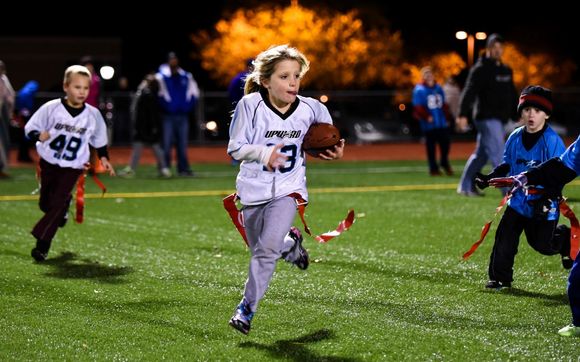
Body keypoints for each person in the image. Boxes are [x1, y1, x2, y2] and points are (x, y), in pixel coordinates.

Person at [227, 44, 345, 335]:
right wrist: (263, 153)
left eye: (296, 76)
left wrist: (336, 151)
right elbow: (235, 148)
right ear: (265, 81)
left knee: (265, 251)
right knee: (262, 248)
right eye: (284, 76)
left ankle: (246, 309)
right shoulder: (249, 106)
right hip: (253, 190)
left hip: (289, 190)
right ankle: (290, 246)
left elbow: (328, 139)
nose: (293, 82)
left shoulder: (312, 108)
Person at [475, 85, 569, 291]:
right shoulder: (515, 137)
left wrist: (550, 196)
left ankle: (564, 241)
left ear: (547, 114)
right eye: (527, 110)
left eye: (537, 110)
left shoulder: (552, 141)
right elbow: (507, 165)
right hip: (518, 201)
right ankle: (500, 278)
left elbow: (561, 172)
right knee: (505, 237)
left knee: (542, 245)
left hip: (542, 202)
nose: (531, 115)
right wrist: (490, 177)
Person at [24, 65, 115, 262]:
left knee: (58, 202)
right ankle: (62, 210)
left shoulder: (92, 114)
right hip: (49, 162)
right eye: (77, 87)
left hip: (74, 166)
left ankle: (42, 244)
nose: (81, 92)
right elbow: (30, 128)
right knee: (46, 204)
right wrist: (39, 135)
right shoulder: (51, 108)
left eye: (85, 88)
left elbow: (99, 139)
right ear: (66, 87)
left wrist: (104, 158)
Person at [456, 33, 518, 196]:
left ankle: (465, 186)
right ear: (488, 49)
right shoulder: (480, 69)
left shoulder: (505, 70)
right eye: (494, 48)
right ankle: (508, 191)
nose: (498, 51)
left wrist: (517, 112)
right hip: (486, 117)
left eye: (500, 48)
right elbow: (469, 91)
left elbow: (512, 93)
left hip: (500, 118)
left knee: (481, 156)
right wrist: (462, 114)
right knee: (499, 153)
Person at [156, 52, 200, 177]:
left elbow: (194, 93)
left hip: (182, 115)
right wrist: (167, 106)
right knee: (166, 142)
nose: (173, 62)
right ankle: (165, 168)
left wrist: (186, 107)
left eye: (175, 59)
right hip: (168, 115)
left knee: (182, 143)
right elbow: (159, 95)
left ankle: (183, 168)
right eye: (171, 60)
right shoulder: (161, 77)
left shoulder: (186, 76)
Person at [119, 74, 171, 178]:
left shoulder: (149, 94)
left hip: (147, 127)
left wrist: (152, 127)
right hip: (145, 126)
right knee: (140, 148)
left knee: (155, 147)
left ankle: (164, 169)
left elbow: (149, 114)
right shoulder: (145, 93)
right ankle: (162, 169)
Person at [412, 66, 453, 176]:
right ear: (423, 77)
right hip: (429, 124)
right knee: (431, 147)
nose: (429, 76)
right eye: (426, 74)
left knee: (446, 143)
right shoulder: (419, 89)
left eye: (430, 73)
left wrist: (447, 117)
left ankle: (444, 162)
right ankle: (433, 168)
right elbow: (417, 106)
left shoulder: (438, 88)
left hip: (441, 122)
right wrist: (426, 116)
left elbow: (444, 104)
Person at [13, 80, 40, 162]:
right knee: (24, 138)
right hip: (23, 118)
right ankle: (23, 157)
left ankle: (24, 156)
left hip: (24, 117)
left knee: (25, 138)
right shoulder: (26, 93)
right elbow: (21, 109)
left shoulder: (26, 93)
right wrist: (21, 120)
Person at [0, 60, 15, 178]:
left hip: (2, 115)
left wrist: (9, 115)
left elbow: (10, 98)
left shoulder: (4, 80)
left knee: (3, 142)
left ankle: (1, 168)